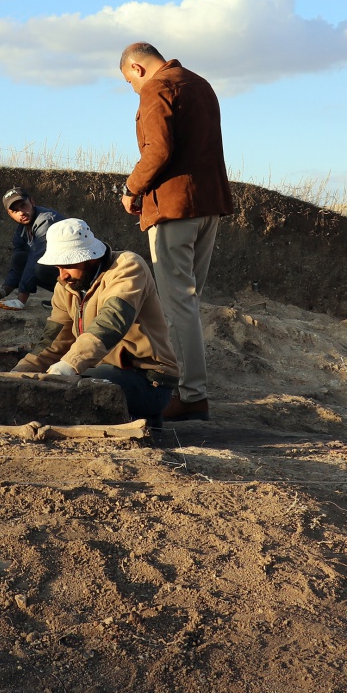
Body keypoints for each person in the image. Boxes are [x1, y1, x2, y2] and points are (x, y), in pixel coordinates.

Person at [118, 43, 232, 422]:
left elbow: (158, 150)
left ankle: (192, 395)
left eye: (129, 82)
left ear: (136, 68)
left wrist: (131, 188)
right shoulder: (200, 83)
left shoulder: (157, 87)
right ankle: (187, 388)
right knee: (189, 302)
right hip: (209, 205)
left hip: (173, 208)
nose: (133, 90)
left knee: (178, 303)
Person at [12, 218, 180, 426]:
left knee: (68, 390)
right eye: (58, 267)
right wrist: (19, 373)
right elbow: (54, 340)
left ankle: (143, 416)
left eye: (69, 265)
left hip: (148, 380)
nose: (63, 275)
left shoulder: (127, 267)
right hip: (100, 371)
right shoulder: (66, 286)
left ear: (90, 256)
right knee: (47, 387)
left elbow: (112, 321)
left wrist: (69, 364)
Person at [0, 187, 65, 310]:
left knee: (40, 268)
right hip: (66, 272)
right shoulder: (22, 228)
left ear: (32, 202)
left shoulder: (46, 221)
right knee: (19, 258)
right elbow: (19, 264)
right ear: (9, 214)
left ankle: (79, 295)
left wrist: (20, 300)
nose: (21, 213)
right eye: (15, 210)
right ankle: (65, 298)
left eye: (23, 206)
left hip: (84, 275)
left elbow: (35, 259)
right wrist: (2, 291)